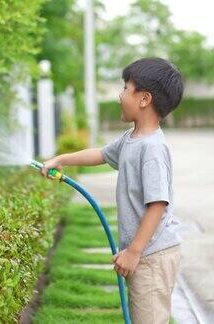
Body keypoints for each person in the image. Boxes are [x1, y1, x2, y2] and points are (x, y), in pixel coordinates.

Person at [40, 57, 184, 324]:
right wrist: (62, 159)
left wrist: (134, 252)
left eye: (125, 88)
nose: (119, 95)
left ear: (144, 99)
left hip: (152, 255)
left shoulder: (151, 148)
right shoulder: (132, 138)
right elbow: (101, 154)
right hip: (145, 253)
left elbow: (157, 204)